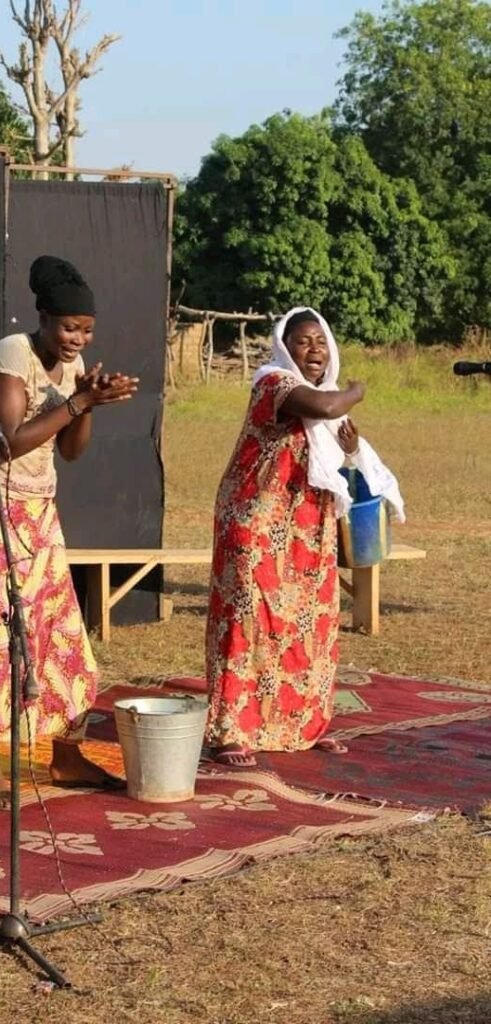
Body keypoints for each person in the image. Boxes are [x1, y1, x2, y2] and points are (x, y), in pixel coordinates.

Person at [0, 255, 138, 807]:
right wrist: (78, 400)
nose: (77, 338)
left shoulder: (71, 369)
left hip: (40, 513)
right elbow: (6, 441)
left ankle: (65, 756)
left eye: (86, 330)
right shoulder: (12, 353)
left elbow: (72, 453)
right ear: (43, 317)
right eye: (68, 327)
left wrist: (88, 404)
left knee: (63, 641)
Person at [205, 307, 368, 767]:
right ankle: (232, 729)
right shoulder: (274, 383)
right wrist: (356, 389)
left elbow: (344, 448)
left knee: (306, 626)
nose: (313, 350)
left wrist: (351, 445)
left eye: (321, 342)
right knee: (247, 622)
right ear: (284, 347)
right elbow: (328, 405)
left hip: (307, 527)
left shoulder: (322, 402)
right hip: (257, 523)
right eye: (303, 341)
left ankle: (299, 727)